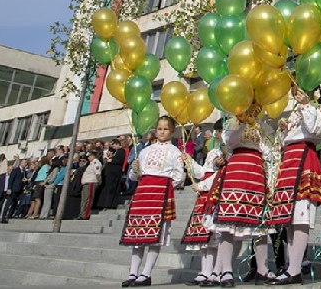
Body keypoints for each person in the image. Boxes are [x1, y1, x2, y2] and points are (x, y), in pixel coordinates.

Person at [209, 103, 277, 287]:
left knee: (261, 225)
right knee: (227, 223)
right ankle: (226, 271)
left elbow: (270, 150)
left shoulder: (263, 126)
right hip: (236, 170)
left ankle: (262, 269)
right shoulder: (232, 123)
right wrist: (239, 121)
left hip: (256, 171)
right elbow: (230, 142)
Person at [268, 82, 321, 285]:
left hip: (304, 158)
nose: (301, 91)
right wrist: (284, 131)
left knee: (301, 216)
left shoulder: (318, 109)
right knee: (290, 220)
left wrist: (306, 105)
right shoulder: (293, 113)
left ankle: (294, 269)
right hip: (289, 161)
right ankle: (291, 267)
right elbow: (286, 140)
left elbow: (315, 130)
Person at [119, 116, 184, 288]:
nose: (162, 132)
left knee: (156, 237)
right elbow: (135, 175)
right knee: (137, 234)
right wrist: (134, 171)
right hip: (143, 192)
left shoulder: (175, 152)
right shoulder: (145, 151)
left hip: (161, 192)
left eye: (165, 129)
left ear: (172, 131)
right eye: (159, 128)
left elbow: (179, 175)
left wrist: (169, 187)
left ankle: (146, 273)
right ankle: (133, 272)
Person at [182, 119, 226, 287]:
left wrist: (201, 185)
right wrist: (190, 162)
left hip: (215, 193)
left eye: (221, 131)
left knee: (216, 236)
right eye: (217, 131)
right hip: (204, 195)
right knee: (204, 237)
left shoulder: (228, 152)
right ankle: (204, 271)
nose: (218, 135)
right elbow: (203, 171)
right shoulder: (213, 151)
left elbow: (220, 175)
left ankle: (217, 270)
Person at [98, 139, 126, 209]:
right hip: (112, 173)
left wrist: (112, 160)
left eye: (114, 145)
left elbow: (120, 160)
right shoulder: (117, 151)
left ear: (117, 144)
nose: (113, 147)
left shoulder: (121, 151)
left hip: (115, 173)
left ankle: (111, 203)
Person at [79, 151, 101, 220]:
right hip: (86, 183)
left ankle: (85, 215)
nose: (88, 158)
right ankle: (82, 213)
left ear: (93, 156)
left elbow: (98, 173)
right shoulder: (90, 164)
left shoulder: (96, 163)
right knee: (84, 200)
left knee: (88, 199)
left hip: (91, 183)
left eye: (89, 156)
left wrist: (99, 182)